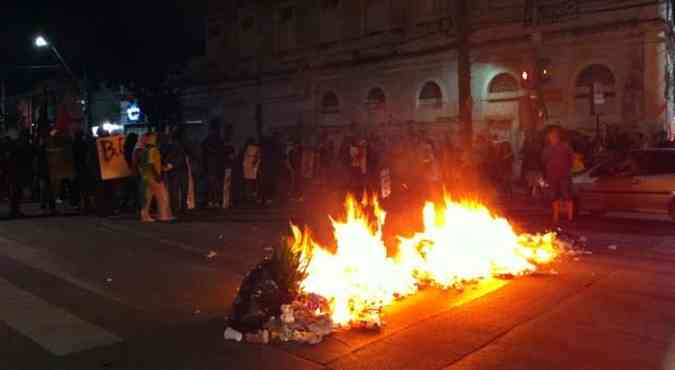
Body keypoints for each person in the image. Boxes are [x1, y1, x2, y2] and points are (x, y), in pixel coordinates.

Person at [542, 127, 575, 223]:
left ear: (557, 137)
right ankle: (556, 216)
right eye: (551, 137)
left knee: (565, 195)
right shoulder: (548, 149)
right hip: (553, 176)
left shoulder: (565, 147)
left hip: (563, 175)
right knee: (554, 195)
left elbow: (571, 159)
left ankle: (569, 216)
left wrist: (568, 169)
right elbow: (544, 161)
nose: (551, 139)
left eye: (553, 137)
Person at [139, 133, 174, 222]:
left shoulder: (144, 150)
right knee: (162, 196)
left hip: (146, 176)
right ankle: (163, 215)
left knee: (148, 197)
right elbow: (152, 164)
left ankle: (145, 216)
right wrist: (157, 175)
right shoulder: (153, 150)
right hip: (153, 177)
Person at [162, 128, 189, 214]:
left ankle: (175, 208)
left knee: (174, 190)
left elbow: (165, 156)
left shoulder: (169, 145)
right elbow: (181, 158)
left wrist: (168, 165)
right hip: (180, 170)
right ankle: (181, 208)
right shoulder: (181, 145)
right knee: (182, 190)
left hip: (174, 171)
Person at [202, 126, 226, 208]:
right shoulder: (217, 141)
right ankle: (214, 201)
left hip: (212, 166)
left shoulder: (208, 141)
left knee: (212, 185)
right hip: (214, 167)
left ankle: (212, 201)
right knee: (214, 185)